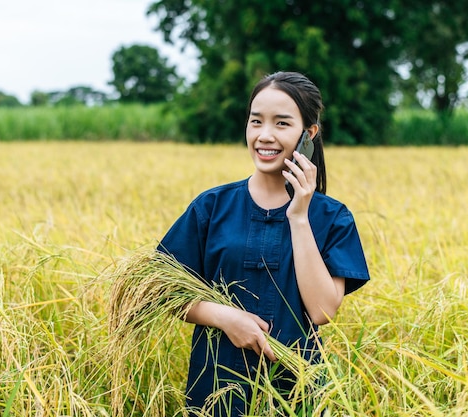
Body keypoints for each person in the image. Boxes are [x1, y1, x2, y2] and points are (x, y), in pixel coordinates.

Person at [158, 71, 370, 416]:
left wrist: (299, 215)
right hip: (216, 392)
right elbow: (160, 291)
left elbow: (321, 310)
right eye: (256, 122)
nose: (264, 136)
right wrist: (225, 317)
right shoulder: (211, 208)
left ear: (309, 134)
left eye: (282, 124)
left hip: (297, 393)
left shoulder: (332, 217)